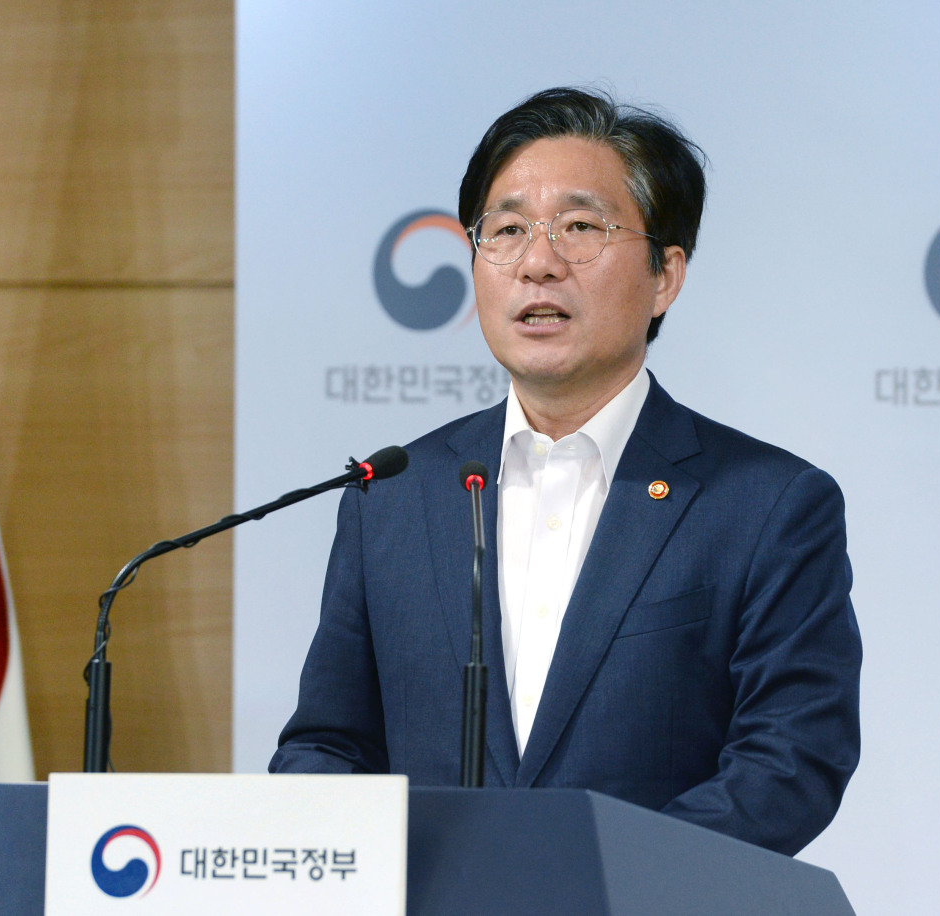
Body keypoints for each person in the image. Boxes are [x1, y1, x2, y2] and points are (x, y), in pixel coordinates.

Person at [269, 87, 862, 857]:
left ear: (665, 275)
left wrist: (593, 883)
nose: (537, 263)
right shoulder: (394, 494)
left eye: (581, 227)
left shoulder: (766, 504)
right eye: (507, 230)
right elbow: (326, 746)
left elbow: (791, 764)